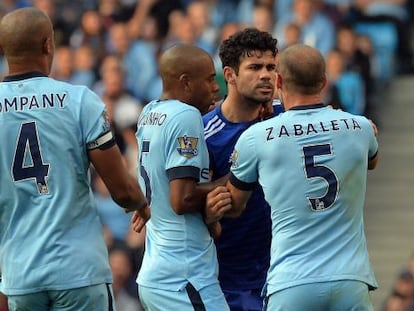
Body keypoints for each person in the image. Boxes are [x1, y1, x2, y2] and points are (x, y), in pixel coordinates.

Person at [0, 7, 149, 311]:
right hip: (79, 272)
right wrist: (142, 204)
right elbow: (121, 191)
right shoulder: (79, 100)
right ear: (48, 44)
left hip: (20, 274)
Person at [221, 44, 379, 310]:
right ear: (325, 81)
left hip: (291, 281)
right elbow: (373, 161)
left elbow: (235, 205)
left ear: (279, 80)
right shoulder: (359, 126)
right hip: (350, 279)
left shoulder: (257, 137)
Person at [134, 43, 231, 311]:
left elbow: (158, 184)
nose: (216, 87)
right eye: (210, 79)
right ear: (186, 83)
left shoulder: (149, 112)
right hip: (183, 275)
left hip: (158, 273)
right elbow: (182, 198)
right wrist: (238, 177)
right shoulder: (186, 115)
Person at [202, 27, 282, 311]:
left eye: (271, 67)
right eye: (255, 67)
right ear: (230, 74)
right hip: (231, 281)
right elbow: (188, 199)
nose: (266, 75)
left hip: (286, 273)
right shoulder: (206, 134)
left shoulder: (286, 119)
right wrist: (208, 214)